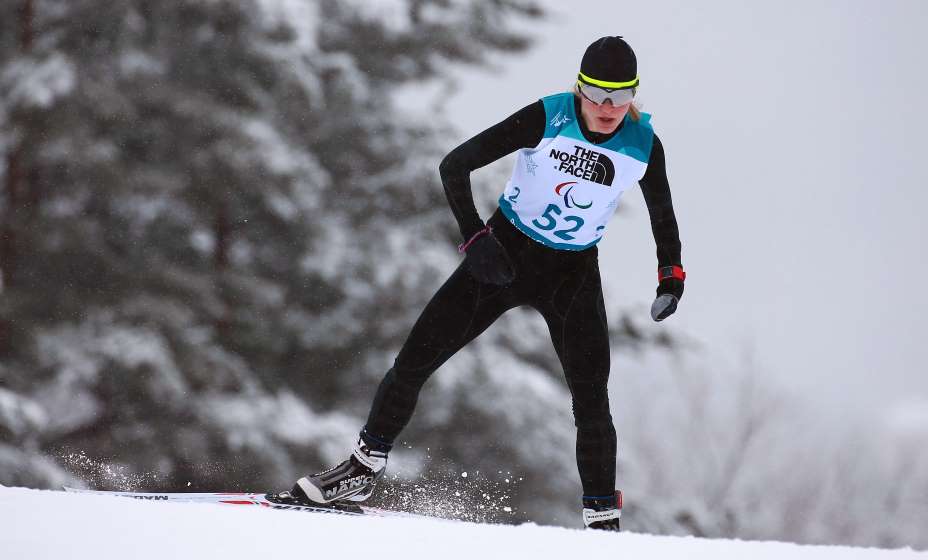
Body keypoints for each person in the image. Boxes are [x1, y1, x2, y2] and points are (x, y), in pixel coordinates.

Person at [288, 36, 684, 531]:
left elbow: (663, 216)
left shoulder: (644, 144)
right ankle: (361, 470)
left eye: (620, 98)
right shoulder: (549, 116)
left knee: (591, 399)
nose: (608, 109)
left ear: (634, 97)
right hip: (506, 254)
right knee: (414, 360)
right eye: (598, 95)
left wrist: (670, 276)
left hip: (573, 274)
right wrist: (476, 238)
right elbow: (454, 165)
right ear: (579, 90)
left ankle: (601, 522)